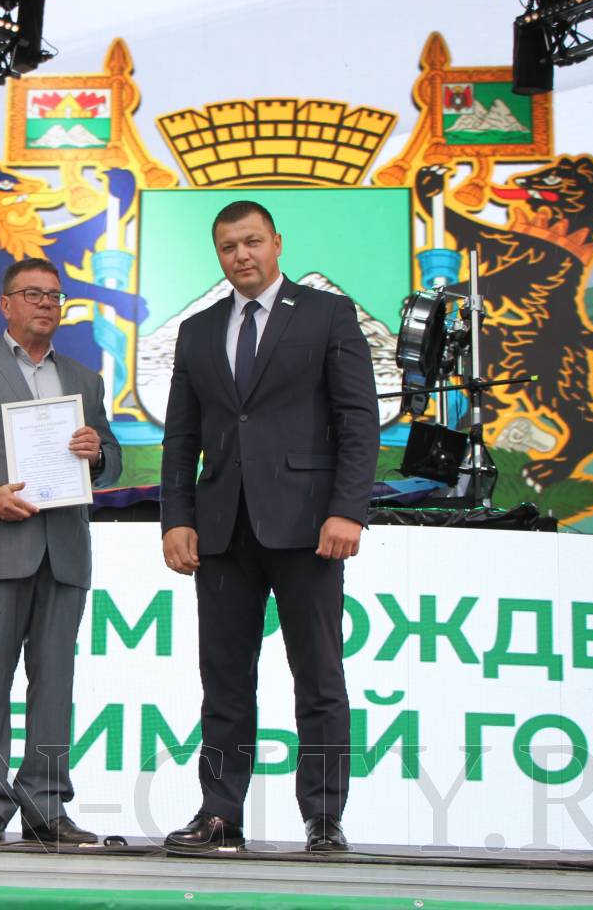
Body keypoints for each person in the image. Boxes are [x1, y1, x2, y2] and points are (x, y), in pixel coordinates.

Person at [159, 200, 379, 852]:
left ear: (276, 243)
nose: (242, 256)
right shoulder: (197, 331)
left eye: (252, 241)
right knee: (224, 682)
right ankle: (219, 813)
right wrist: (177, 519)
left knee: (319, 679)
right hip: (221, 531)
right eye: (229, 247)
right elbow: (181, 438)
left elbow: (358, 420)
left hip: (310, 526)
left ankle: (324, 818)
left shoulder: (328, 313)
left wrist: (348, 509)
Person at [0, 256, 122, 846]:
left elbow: (112, 460)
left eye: (54, 296)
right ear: (5, 304)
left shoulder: (85, 379)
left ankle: (45, 806)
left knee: (55, 683)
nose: (46, 304)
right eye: (33, 294)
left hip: (64, 551)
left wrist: (98, 454)